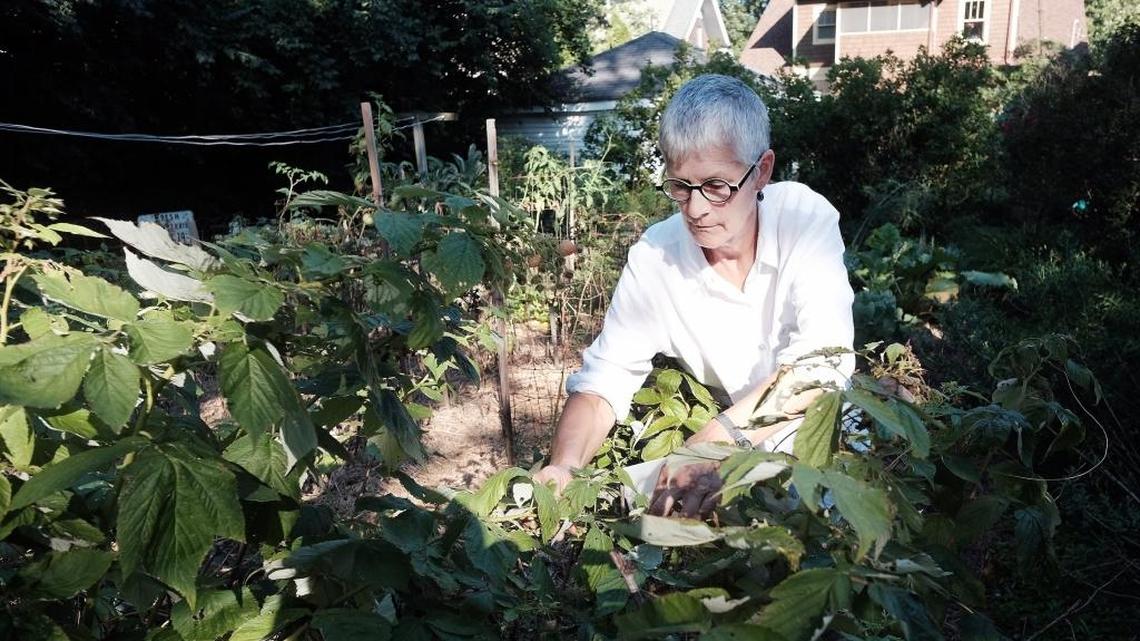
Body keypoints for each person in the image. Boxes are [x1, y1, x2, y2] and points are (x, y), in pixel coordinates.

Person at [533, 74, 854, 516]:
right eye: (681, 186)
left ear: (762, 171)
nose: (696, 209)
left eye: (717, 186)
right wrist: (564, 466)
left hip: (823, 429)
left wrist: (709, 446)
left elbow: (822, 365)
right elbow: (603, 382)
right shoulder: (655, 257)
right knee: (632, 506)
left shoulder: (801, 217)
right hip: (736, 435)